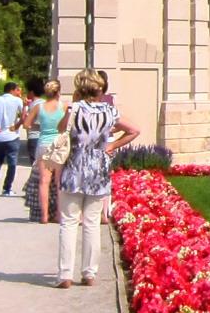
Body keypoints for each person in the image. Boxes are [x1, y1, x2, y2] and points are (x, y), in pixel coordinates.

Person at [55, 68, 138, 289]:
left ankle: (65, 274)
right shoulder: (110, 112)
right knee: (92, 223)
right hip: (98, 170)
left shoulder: (74, 109)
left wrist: (70, 108)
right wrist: (111, 145)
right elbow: (134, 130)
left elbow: (60, 130)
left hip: (74, 168)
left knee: (69, 222)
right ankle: (89, 273)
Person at [24, 79, 67, 223]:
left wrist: (41, 126)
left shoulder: (39, 107)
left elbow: (26, 124)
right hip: (59, 144)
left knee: (44, 182)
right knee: (59, 182)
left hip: (43, 144)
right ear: (58, 92)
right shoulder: (63, 106)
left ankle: (44, 216)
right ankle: (59, 215)